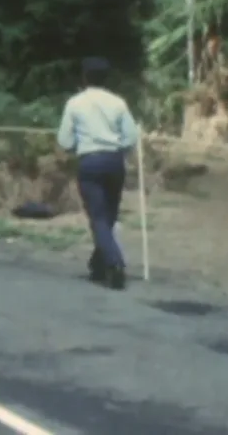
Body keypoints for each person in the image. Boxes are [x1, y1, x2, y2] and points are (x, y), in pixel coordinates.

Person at [56, 57, 140, 290]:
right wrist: (118, 149)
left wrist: (78, 147)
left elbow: (64, 140)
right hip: (114, 161)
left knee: (98, 217)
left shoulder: (74, 103)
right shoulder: (118, 102)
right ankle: (98, 264)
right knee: (109, 215)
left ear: (84, 77)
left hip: (90, 161)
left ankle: (114, 263)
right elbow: (131, 137)